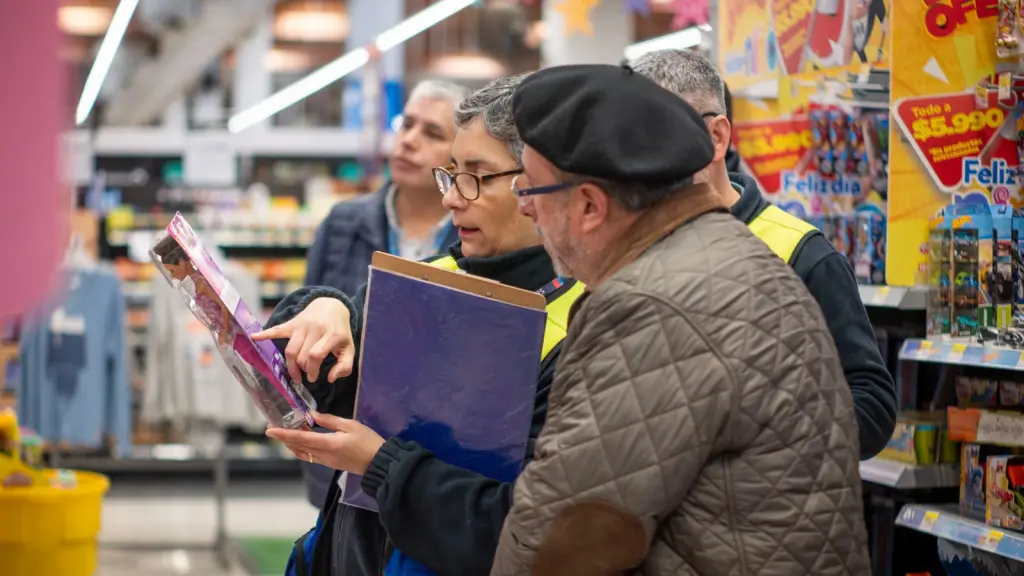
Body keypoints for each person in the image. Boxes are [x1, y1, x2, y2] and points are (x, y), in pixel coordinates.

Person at [490, 63, 871, 575]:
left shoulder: (650, 308)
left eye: (530, 191)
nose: (525, 211)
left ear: (589, 206)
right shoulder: (728, 252)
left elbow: (565, 534)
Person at [253, 74, 587, 576]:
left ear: (540, 182)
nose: (453, 197)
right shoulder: (425, 279)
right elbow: (323, 385)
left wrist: (382, 464)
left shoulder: (582, 323)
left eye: (477, 176)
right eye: (452, 174)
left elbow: (522, 524)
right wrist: (322, 307)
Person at [630, 49, 896, 460]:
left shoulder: (800, 253)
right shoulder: (624, 252)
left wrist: (755, 435)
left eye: (658, 139)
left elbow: (871, 405)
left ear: (716, 137)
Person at [298, 79, 467, 507]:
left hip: (434, 464)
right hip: (338, 451)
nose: (409, 141)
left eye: (432, 133)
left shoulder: (472, 238)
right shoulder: (343, 224)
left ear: (460, 157)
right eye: (406, 124)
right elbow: (302, 315)